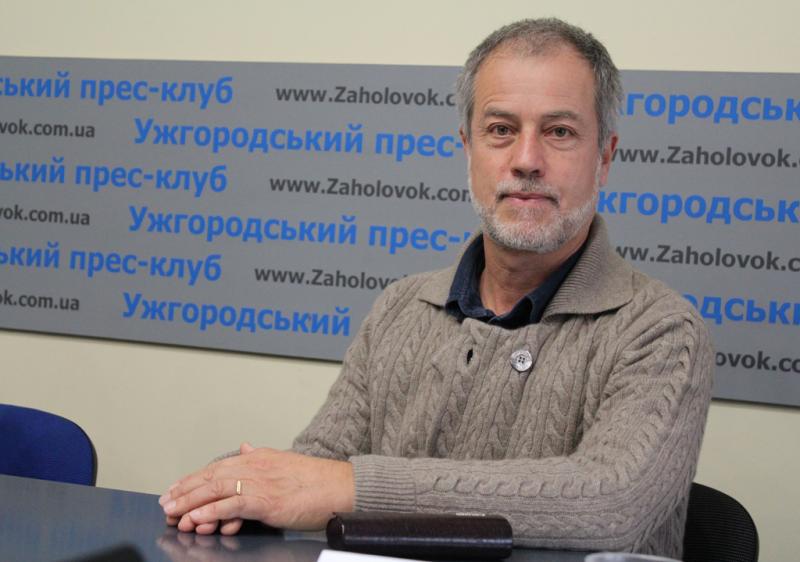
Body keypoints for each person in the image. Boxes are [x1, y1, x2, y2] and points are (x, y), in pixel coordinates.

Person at [159, 18, 713, 558]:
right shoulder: (402, 307)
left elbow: (611, 502)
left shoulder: (662, 330)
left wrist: (351, 487)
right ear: (468, 149)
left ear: (605, 157)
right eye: (501, 130)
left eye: (559, 132)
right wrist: (241, 485)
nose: (526, 160)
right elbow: (317, 465)